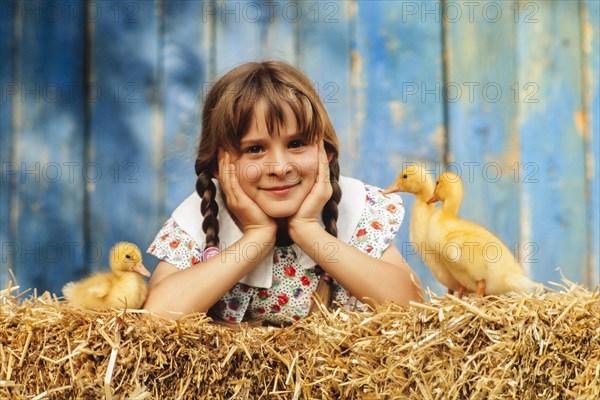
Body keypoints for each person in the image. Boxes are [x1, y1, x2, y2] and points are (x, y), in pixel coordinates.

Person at [143, 60, 422, 324]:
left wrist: (309, 230)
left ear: (326, 153)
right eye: (255, 149)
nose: (280, 166)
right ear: (218, 165)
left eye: (296, 143)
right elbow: (153, 321)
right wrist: (256, 237)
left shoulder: (355, 207)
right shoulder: (201, 215)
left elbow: (412, 308)